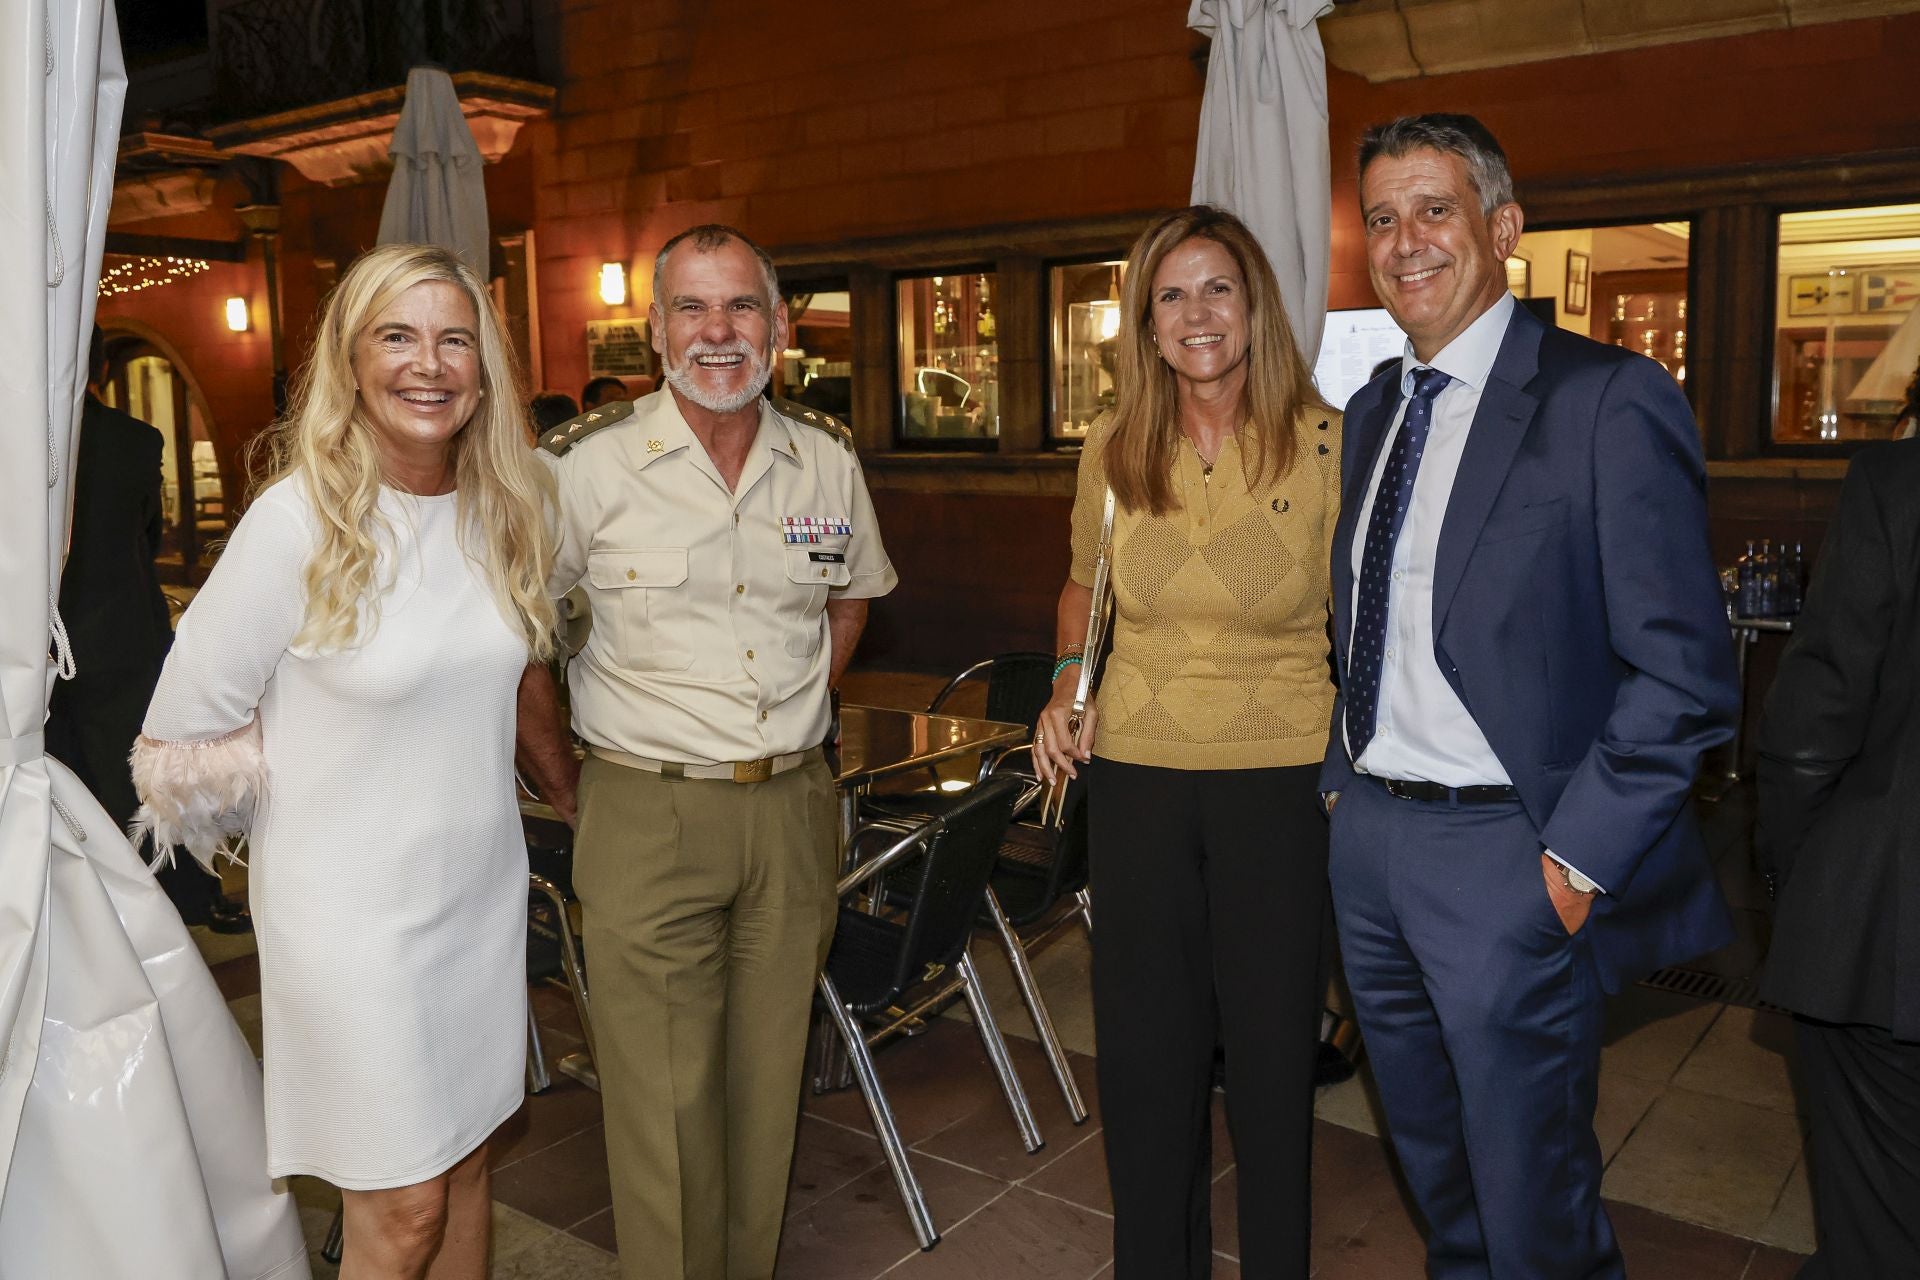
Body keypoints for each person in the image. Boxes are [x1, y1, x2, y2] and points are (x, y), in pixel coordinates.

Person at [1318, 113, 1739, 1278]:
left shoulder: (1605, 399)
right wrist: (1343, 791)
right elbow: (1361, 623)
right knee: (1437, 1174)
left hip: (1509, 858)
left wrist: (1571, 862)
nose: (1407, 242)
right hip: (1374, 849)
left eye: (1435, 209)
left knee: (1531, 1199)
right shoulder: (1371, 414)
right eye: (1386, 219)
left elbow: (1686, 672)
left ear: (1504, 226)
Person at [131, 243, 557, 1279]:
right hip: (353, 926)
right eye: (397, 336)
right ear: (352, 361)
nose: (429, 363)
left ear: (484, 366)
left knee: (465, 1168)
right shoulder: (297, 524)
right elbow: (175, 736)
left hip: (477, 894)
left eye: (455, 338)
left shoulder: (506, 508)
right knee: (403, 1203)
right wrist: (320, 776)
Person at [516, 224, 896, 1280]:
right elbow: (518, 650)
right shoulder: (582, 468)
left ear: (779, 327)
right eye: (693, 307)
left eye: (741, 309)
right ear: (655, 330)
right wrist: (574, 792)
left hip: (791, 809)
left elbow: (852, 598)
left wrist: (800, 704)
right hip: (644, 806)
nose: (718, 332)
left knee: (767, 1087)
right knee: (662, 1106)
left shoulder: (821, 455)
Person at [1033, 205, 1340, 1279]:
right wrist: (1068, 683)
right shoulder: (1115, 445)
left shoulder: (1327, 438)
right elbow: (1084, 583)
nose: (1197, 312)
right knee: (1148, 1059)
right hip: (1137, 773)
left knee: (1270, 1059)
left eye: (1218, 288)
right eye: (1173, 294)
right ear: (1147, 324)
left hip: (1282, 775)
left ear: (1254, 306)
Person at [1755, 440, 1920, 1277]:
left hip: (1890, 936)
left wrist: (1795, 882)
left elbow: (1813, 727)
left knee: (1879, 1231)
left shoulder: (1897, 484)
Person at [46, 327, 248, 932]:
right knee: (146, 778)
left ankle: (81, 910)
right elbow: (148, 536)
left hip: (43, 637)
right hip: (126, 629)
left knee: (63, 769)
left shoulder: (23, 440)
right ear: (101, 369)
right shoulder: (135, 440)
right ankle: (179, 903)